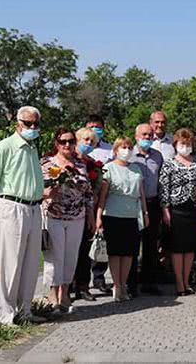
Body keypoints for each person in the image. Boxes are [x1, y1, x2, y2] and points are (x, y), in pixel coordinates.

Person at [0, 106, 45, 325]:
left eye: (36, 124)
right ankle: (4, 316)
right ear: (18, 123)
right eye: (28, 124)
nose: (33, 128)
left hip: (34, 208)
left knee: (30, 262)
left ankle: (25, 310)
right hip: (12, 206)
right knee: (10, 262)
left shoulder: (32, 148)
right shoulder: (5, 147)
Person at [40, 128, 94, 313]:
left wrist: (91, 215)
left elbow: (88, 192)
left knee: (70, 257)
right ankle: (53, 297)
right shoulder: (47, 163)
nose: (67, 145)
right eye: (63, 141)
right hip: (54, 215)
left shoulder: (80, 164)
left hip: (76, 217)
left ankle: (65, 296)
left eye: (70, 141)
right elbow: (42, 190)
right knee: (55, 257)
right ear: (56, 143)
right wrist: (57, 181)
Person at [96, 137, 150, 302]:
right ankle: (117, 285)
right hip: (113, 214)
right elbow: (103, 196)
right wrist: (98, 216)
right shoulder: (108, 168)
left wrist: (145, 213)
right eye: (123, 147)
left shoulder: (136, 169)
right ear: (116, 150)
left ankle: (124, 284)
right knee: (115, 252)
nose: (126, 150)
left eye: (129, 147)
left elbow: (141, 194)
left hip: (132, 214)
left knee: (128, 253)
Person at [159, 128, 196, 296]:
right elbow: (164, 188)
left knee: (190, 247)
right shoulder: (169, 163)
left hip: (194, 210)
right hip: (176, 210)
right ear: (176, 144)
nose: (185, 146)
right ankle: (179, 282)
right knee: (178, 249)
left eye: (188, 143)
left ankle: (186, 281)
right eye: (182, 143)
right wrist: (165, 211)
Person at [129, 123, 164, 295]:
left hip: (153, 203)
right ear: (136, 137)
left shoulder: (157, 156)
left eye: (150, 135)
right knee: (133, 244)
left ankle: (149, 282)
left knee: (151, 245)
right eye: (143, 135)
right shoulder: (129, 155)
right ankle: (131, 284)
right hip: (132, 205)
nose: (147, 138)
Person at [71, 127, 105, 302]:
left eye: (92, 142)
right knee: (69, 251)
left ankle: (83, 287)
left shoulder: (92, 163)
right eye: (85, 140)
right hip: (68, 211)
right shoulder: (69, 159)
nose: (88, 144)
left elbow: (95, 190)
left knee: (85, 250)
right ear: (77, 139)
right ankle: (68, 286)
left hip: (87, 211)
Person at [85, 114, 114, 294]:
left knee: (101, 240)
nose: (95, 130)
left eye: (98, 126)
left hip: (103, 199)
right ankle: (79, 281)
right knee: (83, 242)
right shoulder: (81, 147)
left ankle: (99, 277)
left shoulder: (109, 150)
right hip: (82, 201)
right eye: (91, 126)